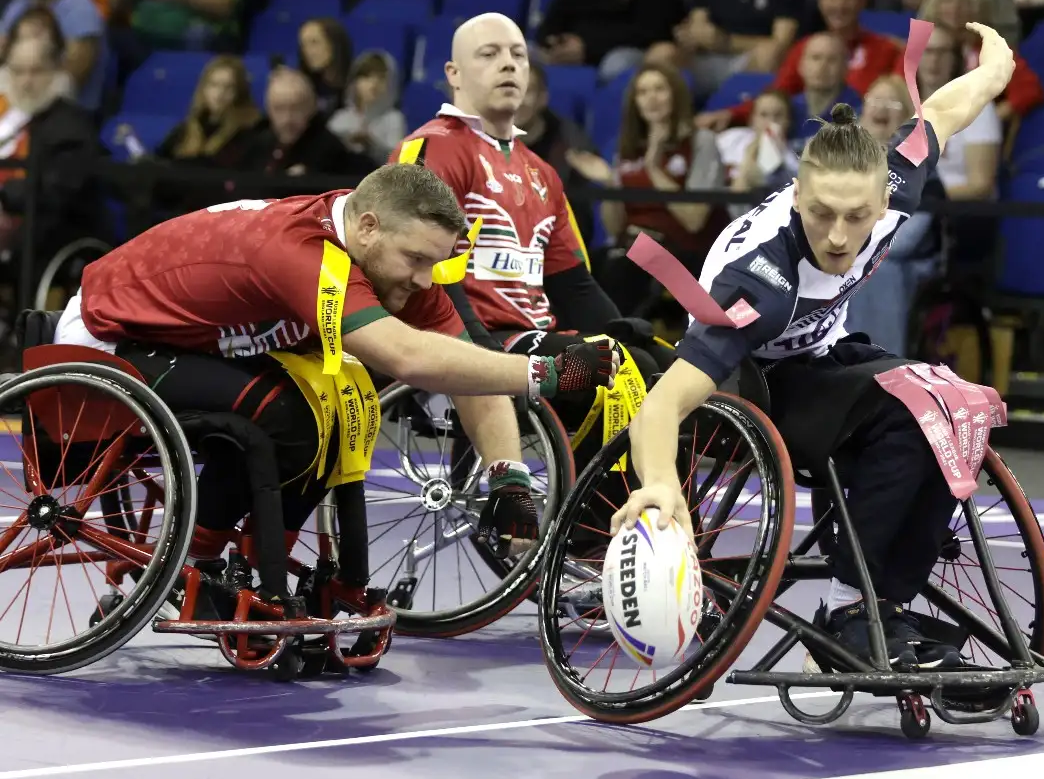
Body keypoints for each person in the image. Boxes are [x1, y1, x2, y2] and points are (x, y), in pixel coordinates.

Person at [611, 21, 1016, 670]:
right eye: (820, 212)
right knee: (909, 417)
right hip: (752, 377)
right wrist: (660, 485)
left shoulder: (892, 187)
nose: (836, 234)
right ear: (797, 195)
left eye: (855, 217)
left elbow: (942, 112)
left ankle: (883, 602)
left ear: (880, 202)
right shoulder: (762, 283)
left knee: (957, 404)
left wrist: (996, 71)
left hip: (821, 351)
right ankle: (849, 610)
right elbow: (661, 408)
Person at [52, 163, 619, 613]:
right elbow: (407, 357)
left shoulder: (389, 251)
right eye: (417, 260)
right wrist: (545, 374)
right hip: (109, 332)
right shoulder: (301, 251)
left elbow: (468, 366)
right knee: (281, 413)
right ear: (367, 226)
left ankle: (246, 559)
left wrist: (508, 476)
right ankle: (190, 560)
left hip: (199, 340)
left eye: (436, 263)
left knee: (343, 408)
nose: (425, 279)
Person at [390, 13, 671, 465]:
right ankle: (588, 529)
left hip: (531, 336)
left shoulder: (543, 173)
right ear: (454, 74)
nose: (508, 65)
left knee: (654, 367)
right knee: (620, 369)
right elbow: (421, 272)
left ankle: (620, 512)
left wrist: (621, 328)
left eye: (518, 55)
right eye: (489, 54)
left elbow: (572, 284)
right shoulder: (435, 147)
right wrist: (478, 353)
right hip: (468, 340)